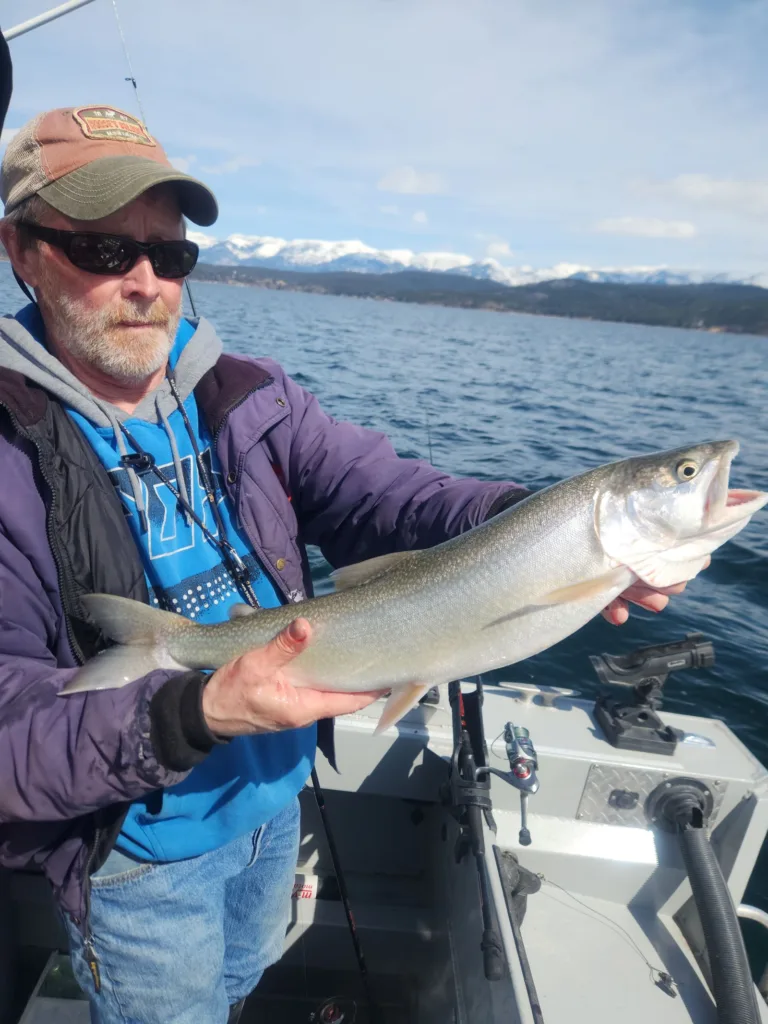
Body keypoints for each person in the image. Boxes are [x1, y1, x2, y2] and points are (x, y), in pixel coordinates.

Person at [0, 104, 687, 1024]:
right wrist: (189, 708)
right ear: (23, 250)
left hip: (275, 796)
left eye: (173, 256)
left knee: (240, 988)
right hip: (140, 851)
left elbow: (387, 495)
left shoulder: (248, 396)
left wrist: (545, 533)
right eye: (106, 253)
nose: (149, 285)